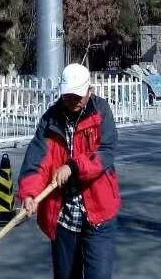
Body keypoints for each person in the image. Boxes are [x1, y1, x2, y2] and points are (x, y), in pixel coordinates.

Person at [18, 63, 120, 279]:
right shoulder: (50, 120)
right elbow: (37, 162)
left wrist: (73, 166)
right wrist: (30, 194)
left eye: (78, 96)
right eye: (68, 95)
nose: (73, 100)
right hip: (63, 216)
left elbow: (104, 154)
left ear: (90, 91)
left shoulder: (101, 112)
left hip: (98, 214)